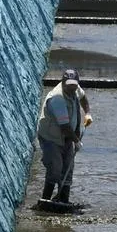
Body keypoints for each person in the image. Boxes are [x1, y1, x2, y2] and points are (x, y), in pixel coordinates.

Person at [36, 69, 93, 204]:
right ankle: (46, 200)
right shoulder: (57, 98)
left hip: (67, 136)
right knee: (55, 169)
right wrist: (77, 141)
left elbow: (83, 97)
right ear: (63, 83)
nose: (72, 88)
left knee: (68, 167)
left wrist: (87, 113)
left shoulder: (75, 88)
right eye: (69, 85)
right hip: (51, 137)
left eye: (74, 85)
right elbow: (65, 127)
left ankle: (63, 199)